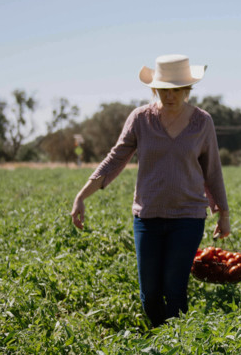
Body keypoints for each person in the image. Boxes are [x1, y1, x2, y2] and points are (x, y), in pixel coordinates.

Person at [70, 54, 230, 328]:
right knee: (150, 294)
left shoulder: (202, 122)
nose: (171, 96)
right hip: (147, 218)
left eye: (177, 90)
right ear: (155, 88)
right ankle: (160, 342)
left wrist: (223, 213)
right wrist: (81, 196)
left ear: (187, 89)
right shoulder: (140, 119)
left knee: (175, 287)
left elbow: (212, 169)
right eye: (165, 90)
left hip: (188, 217)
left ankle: (178, 351)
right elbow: (115, 158)